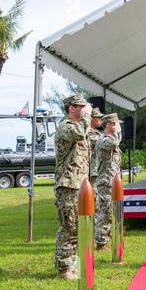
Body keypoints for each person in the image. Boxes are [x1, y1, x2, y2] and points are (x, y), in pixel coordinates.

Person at [54, 94, 92, 279]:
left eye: (85, 107)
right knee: (68, 227)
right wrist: (86, 117)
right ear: (71, 108)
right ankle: (63, 268)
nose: (85, 109)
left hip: (79, 185)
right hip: (68, 185)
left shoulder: (80, 127)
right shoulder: (66, 127)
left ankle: (72, 264)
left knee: (78, 227)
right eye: (81, 106)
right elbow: (78, 133)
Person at [94, 113, 123, 250]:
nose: (118, 126)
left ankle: (107, 237)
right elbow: (113, 143)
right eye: (115, 124)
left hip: (113, 181)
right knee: (104, 212)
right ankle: (100, 242)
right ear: (108, 125)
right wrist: (118, 132)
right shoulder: (103, 140)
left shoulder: (111, 140)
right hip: (105, 181)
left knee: (111, 211)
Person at [87, 108, 104, 186]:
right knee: (94, 194)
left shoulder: (97, 132)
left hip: (99, 167)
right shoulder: (88, 132)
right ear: (91, 119)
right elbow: (103, 143)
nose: (100, 119)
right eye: (98, 117)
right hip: (93, 168)